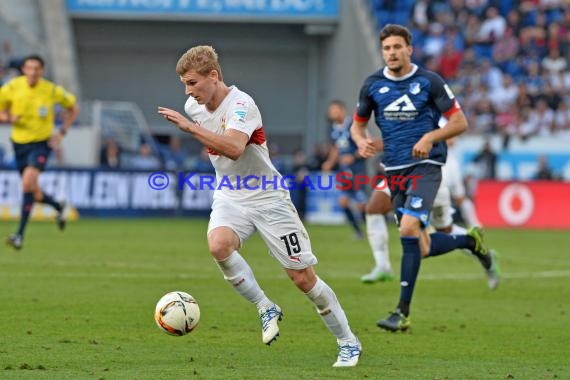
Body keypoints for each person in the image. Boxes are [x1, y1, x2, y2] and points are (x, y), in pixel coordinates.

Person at [157, 45, 361, 367]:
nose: (188, 91)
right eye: (184, 84)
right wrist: (195, 125)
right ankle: (265, 305)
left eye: (192, 82)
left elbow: (236, 148)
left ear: (213, 76)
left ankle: (348, 341)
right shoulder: (193, 107)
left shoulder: (241, 104)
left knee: (303, 279)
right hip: (230, 193)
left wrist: (190, 129)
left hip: (267, 197)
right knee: (219, 245)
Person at [351, 25, 500, 332]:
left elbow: (460, 122)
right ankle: (471, 242)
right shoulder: (372, 85)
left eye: (397, 47)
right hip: (393, 170)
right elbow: (358, 124)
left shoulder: (429, 81)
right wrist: (360, 140)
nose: (391, 53)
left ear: (409, 49)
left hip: (426, 166)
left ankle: (402, 312)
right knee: (419, 246)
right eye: (387, 48)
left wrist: (432, 136)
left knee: (407, 228)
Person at [0, 55, 79, 250]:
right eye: (29, 68)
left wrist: (62, 132)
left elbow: (73, 108)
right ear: (24, 70)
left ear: (42, 71)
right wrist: (9, 118)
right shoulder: (12, 87)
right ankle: (58, 206)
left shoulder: (51, 89)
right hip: (19, 145)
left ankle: (19, 235)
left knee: (27, 182)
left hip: (41, 144)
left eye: (37, 69)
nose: (33, 72)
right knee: (33, 192)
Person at [321, 100, 367, 238]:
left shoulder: (354, 124)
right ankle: (358, 232)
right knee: (343, 201)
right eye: (330, 111)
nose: (331, 114)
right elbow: (335, 148)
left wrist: (353, 156)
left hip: (357, 169)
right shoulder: (332, 128)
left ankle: (374, 228)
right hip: (343, 171)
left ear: (342, 110)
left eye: (334, 110)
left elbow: (367, 144)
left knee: (361, 205)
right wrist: (329, 162)